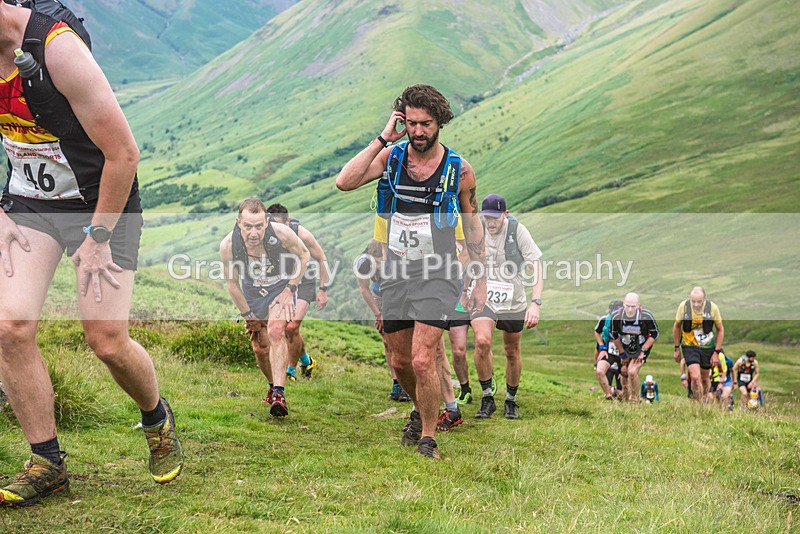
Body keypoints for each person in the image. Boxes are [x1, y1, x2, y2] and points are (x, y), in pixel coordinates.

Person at [0, 3, 184, 507]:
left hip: (100, 201)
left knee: (105, 340)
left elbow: (123, 153)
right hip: (30, 203)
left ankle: (155, 416)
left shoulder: (56, 48)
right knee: (9, 328)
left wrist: (99, 237)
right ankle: (47, 463)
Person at [336, 84, 487, 459]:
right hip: (396, 272)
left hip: (440, 271)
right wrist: (382, 138)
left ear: (440, 123)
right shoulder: (391, 157)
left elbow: (472, 226)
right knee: (400, 361)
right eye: (412, 123)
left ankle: (429, 438)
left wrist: (479, 276)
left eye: (426, 123)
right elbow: (345, 181)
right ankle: (420, 410)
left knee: (423, 359)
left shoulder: (459, 170)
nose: (418, 131)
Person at [219, 198, 310, 417]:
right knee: (260, 348)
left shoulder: (281, 234)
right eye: (248, 226)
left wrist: (291, 289)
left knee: (276, 331)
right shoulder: (229, 245)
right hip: (252, 293)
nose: (253, 232)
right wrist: (248, 315)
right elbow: (231, 283)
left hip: (280, 288)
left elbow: (305, 255)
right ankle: (272, 386)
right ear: (238, 222)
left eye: (259, 226)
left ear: (266, 222)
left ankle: (279, 394)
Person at [472, 194, 543, 420]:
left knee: (512, 350)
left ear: (505, 214)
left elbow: (537, 266)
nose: (490, 223)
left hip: (513, 299)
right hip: (484, 298)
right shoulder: (477, 229)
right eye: (486, 218)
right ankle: (487, 398)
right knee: (482, 342)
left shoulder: (517, 231)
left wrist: (536, 303)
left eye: (494, 218)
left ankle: (511, 401)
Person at [266, 204, 329, 381]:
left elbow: (321, 258)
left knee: (292, 327)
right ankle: (306, 360)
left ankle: (290, 370)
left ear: (288, 221)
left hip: (305, 281)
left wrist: (323, 289)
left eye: (281, 225)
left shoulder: (302, 234)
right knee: (286, 330)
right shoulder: (267, 233)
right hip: (283, 281)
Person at [354, 240, 410, 401]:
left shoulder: (394, 261)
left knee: (403, 339)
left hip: (399, 293)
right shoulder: (362, 263)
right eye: (375, 264)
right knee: (387, 339)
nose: (378, 268)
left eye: (380, 264)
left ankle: (408, 382)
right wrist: (378, 314)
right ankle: (396, 382)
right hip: (379, 295)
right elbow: (364, 289)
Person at [604, 293, 659, 402]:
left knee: (632, 372)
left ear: (639, 305)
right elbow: (614, 336)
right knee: (624, 372)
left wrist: (643, 351)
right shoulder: (616, 316)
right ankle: (625, 400)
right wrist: (622, 353)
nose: (630, 310)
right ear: (623, 304)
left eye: (633, 307)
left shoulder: (646, 316)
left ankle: (635, 399)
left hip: (641, 346)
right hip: (624, 346)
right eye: (627, 306)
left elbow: (655, 335)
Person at [672, 287, 725, 402]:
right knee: (695, 377)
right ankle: (697, 402)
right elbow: (676, 326)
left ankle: (704, 398)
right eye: (693, 301)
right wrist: (676, 348)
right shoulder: (684, 307)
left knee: (705, 378)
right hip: (689, 345)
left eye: (699, 302)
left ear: (705, 298)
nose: (696, 304)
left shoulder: (713, 308)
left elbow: (720, 330)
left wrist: (716, 352)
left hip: (707, 345)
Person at [594, 300, 623, 400]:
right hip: (608, 351)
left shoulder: (627, 321)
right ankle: (608, 395)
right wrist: (602, 347)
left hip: (623, 354)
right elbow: (597, 332)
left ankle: (627, 397)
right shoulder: (604, 320)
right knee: (599, 371)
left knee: (622, 392)